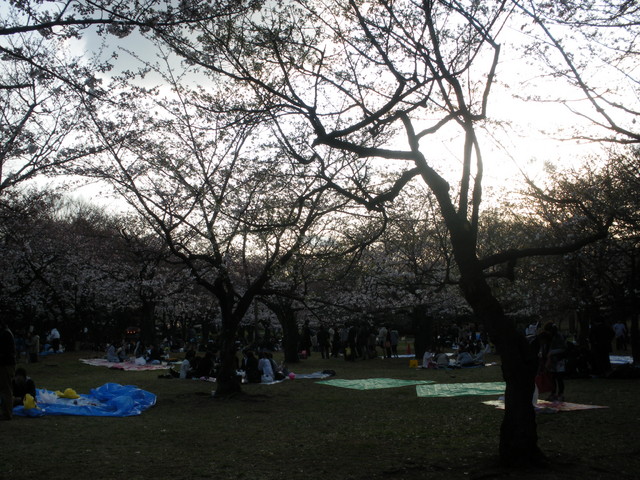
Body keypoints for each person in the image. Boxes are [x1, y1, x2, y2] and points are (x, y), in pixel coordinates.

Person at [1, 319, 16, 420]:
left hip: (5, 365)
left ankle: (7, 413)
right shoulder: (6, 332)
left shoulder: (5, 334)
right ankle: (5, 412)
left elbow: (4, 352)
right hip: (6, 364)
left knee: (6, 389)